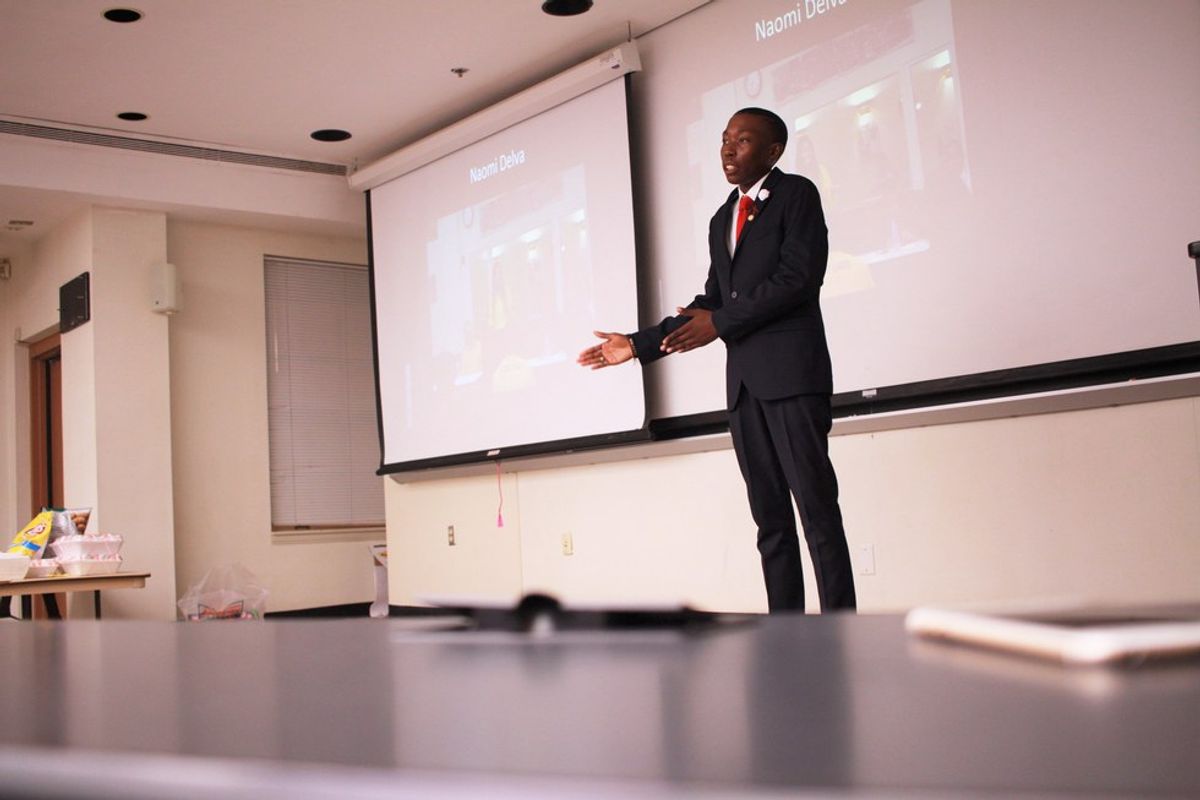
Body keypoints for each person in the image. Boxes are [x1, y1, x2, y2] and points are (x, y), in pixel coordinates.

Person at [577, 107, 856, 613]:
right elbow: (714, 300)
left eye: (743, 141)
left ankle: (842, 629)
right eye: (725, 139)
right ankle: (786, 633)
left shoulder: (797, 196)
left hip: (792, 379)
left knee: (817, 513)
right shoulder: (721, 216)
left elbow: (798, 279)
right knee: (769, 520)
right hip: (745, 388)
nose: (728, 150)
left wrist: (720, 323)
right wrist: (638, 344)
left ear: (773, 151)